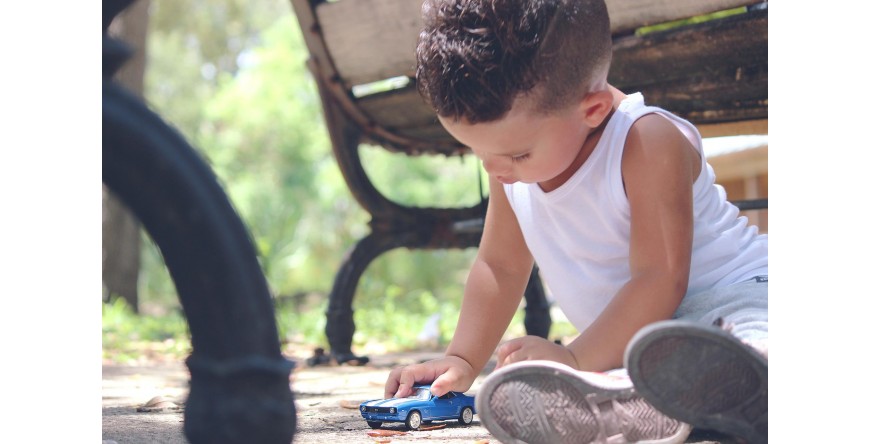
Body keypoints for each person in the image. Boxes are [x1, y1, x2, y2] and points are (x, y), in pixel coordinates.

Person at [385, 0, 768, 442]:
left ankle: (746, 378)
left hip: (736, 301)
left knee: (754, 340)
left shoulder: (645, 140)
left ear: (594, 109)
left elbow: (660, 279)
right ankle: (641, 406)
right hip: (639, 346)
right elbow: (500, 266)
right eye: (478, 153)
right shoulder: (512, 167)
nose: (495, 170)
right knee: (637, 372)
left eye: (515, 153)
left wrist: (574, 360)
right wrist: (463, 360)